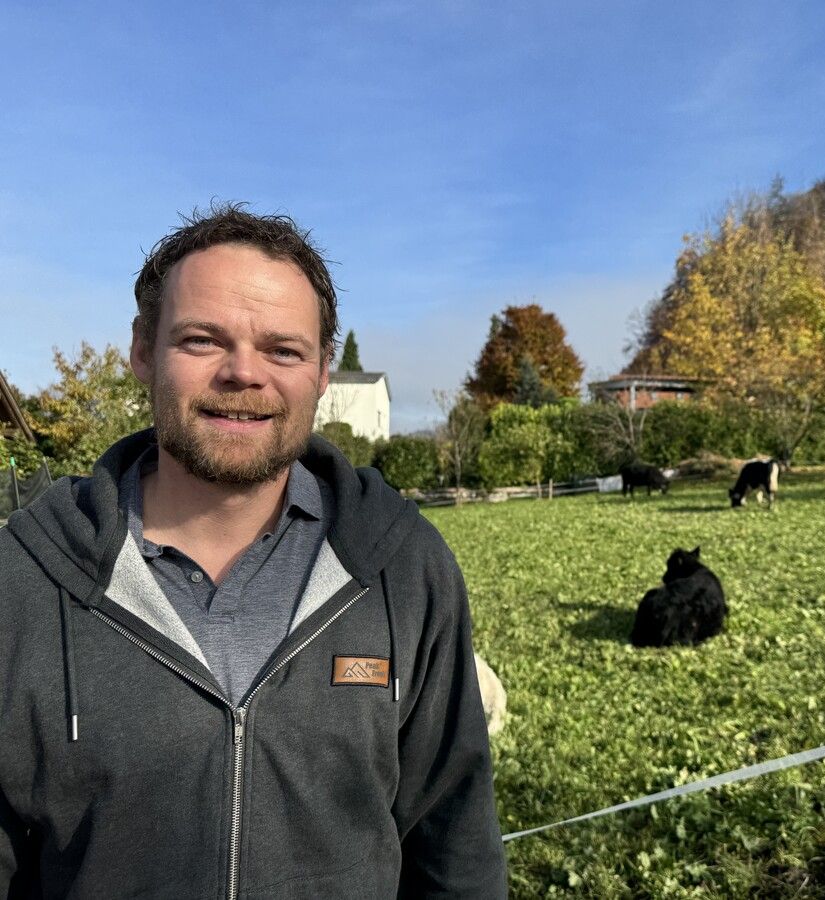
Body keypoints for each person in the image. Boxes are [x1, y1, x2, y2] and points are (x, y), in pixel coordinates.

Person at [0, 204, 508, 897]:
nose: (245, 373)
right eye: (203, 340)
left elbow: (457, 851)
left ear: (324, 371)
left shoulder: (404, 569)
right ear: (143, 351)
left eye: (283, 349)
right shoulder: (23, 582)